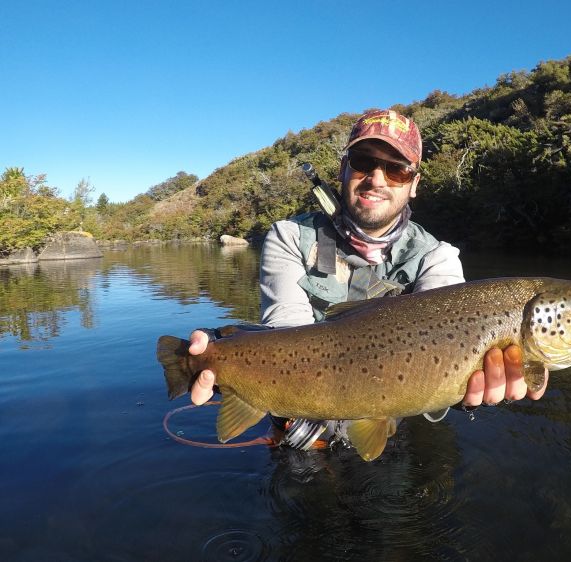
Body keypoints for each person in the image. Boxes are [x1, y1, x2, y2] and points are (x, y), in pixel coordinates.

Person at [187, 109, 548, 446]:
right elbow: (285, 333)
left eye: (397, 170)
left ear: (415, 183)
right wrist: (221, 350)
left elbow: (451, 338)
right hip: (300, 423)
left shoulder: (437, 258)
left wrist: (470, 391)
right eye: (364, 163)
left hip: (390, 428)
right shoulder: (290, 236)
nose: (377, 179)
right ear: (344, 168)